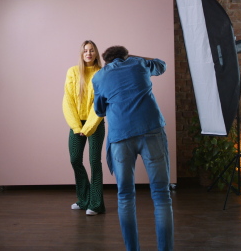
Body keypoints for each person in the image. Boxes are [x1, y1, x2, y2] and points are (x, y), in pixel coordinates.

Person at [92, 45, 173, 251]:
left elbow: (99, 110)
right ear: (126, 56)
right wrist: (135, 56)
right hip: (151, 129)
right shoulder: (139, 63)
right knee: (161, 195)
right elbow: (161, 65)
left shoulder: (99, 77)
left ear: (107, 60)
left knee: (125, 195)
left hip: (120, 136)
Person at [62, 40, 106, 216]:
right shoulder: (73, 72)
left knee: (94, 162)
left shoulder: (102, 74)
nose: (88, 53)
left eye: (92, 50)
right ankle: (83, 199)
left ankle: (96, 204)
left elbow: (101, 103)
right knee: (75, 159)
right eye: (85, 51)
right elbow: (68, 100)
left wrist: (87, 127)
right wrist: (76, 126)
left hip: (95, 124)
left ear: (96, 53)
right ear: (81, 54)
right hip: (76, 124)